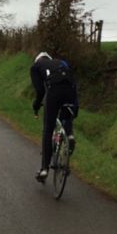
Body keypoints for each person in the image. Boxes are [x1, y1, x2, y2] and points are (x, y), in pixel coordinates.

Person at [30, 51, 78, 182]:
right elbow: (74, 84)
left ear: (38, 60)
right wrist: (75, 110)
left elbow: (40, 90)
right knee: (66, 115)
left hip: (54, 90)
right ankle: (69, 135)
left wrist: (36, 105)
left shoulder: (36, 67)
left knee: (48, 129)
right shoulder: (62, 63)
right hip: (70, 90)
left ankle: (44, 169)